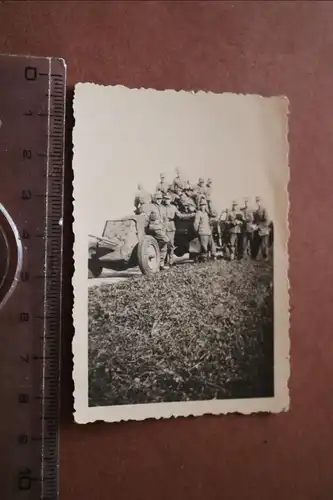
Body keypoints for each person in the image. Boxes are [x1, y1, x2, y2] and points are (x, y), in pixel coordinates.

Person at [163, 192, 195, 265]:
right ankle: (163, 262)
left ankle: (170, 262)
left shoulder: (173, 208)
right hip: (163, 226)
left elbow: (180, 216)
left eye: (168, 199)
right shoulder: (161, 207)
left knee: (171, 245)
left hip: (171, 227)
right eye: (165, 199)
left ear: (170, 200)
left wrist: (190, 215)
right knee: (163, 245)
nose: (166, 200)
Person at [147, 192, 169, 270]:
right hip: (154, 228)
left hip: (161, 228)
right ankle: (155, 250)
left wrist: (165, 227)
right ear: (154, 199)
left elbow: (166, 218)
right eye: (157, 199)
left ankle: (160, 265)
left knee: (164, 247)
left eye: (160, 199)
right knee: (165, 240)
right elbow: (146, 217)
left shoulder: (163, 207)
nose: (159, 200)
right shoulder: (151, 207)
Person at [253, 196, 271, 260]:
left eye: (259, 201)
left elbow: (267, 221)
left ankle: (266, 257)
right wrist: (254, 226)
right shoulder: (256, 210)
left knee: (264, 244)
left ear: (261, 201)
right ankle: (259, 256)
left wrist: (260, 226)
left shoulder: (264, 209)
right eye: (257, 201)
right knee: (258, 244)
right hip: (258, 230)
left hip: (264, 229)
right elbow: (256, 221)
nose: (258, 202)